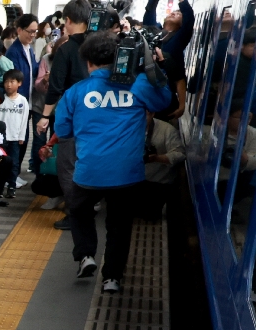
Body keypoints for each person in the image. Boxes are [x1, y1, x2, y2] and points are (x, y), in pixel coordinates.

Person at [54, 32, 170, 293]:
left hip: (88, 171)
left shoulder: (76, 92)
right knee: (119, 224)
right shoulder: (139, 85)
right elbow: (165, 102)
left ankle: (86, 255)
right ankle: (112, 278)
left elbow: (63, 131)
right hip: (127, 174)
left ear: (88, 63)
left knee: (79, 211)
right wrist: (155, 70)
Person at [40, 0, 92, 229]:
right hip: (101, 118)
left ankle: (76, 214)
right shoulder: (101, 46)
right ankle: (89, 208)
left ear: (68, 21)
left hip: (74, 118)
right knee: (89, 164)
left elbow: (56, 86)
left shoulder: (68, 49)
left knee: (68, 166)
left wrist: (44, 116)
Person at [5, 14, 40, 181]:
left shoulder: (29, 48)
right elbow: (15, 78)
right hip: (19, 100)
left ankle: (15, 172)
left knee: (23, 137)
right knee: (18, 139)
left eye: (35, 31)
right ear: (19, 30)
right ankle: (12, 174)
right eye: (30, 31)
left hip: (27, 99)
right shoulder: (14, 51)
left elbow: (33, 69)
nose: (33, 35)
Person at [138, 111, 185, 221]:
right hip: (132, 181)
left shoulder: (167, 130)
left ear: (153, 114)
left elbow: (180, 154)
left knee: (149, 215)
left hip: (157, 182)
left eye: (145, 115)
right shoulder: (125, 129)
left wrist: (157, 158)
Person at [0, 69, 30, 185]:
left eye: (12, 81)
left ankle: (12, 184)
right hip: (1, 137)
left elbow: (24, 120)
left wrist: (22, 136)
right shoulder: (1, 99)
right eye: (6, 82)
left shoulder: (23, 100)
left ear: (19, 83)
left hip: (15, 138)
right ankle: (0, 183)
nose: (9, 85)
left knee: (14, 162)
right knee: (0, 161)